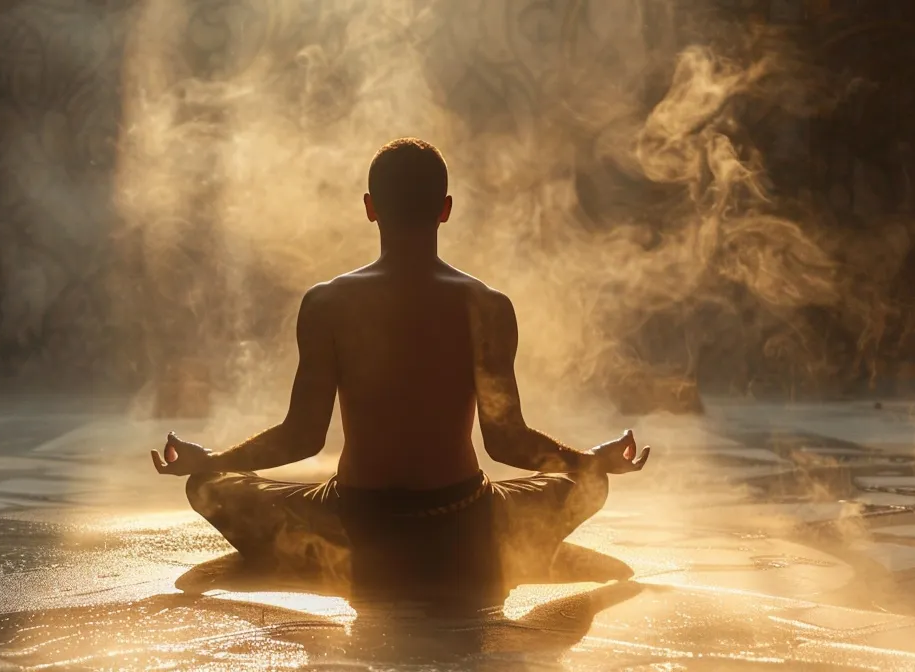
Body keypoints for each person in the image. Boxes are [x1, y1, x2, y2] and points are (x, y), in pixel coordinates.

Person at [151, 137, 652, 613]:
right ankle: (466, 557)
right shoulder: (487, 306)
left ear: (370, 207)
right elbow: (506, 442)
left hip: (353, 526)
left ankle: (332, 558)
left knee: (205, 486)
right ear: (445, 208)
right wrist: (588, 461)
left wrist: (214, 461)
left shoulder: (327, 303)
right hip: (463, 527)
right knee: (593, 485)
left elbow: (301, 437)